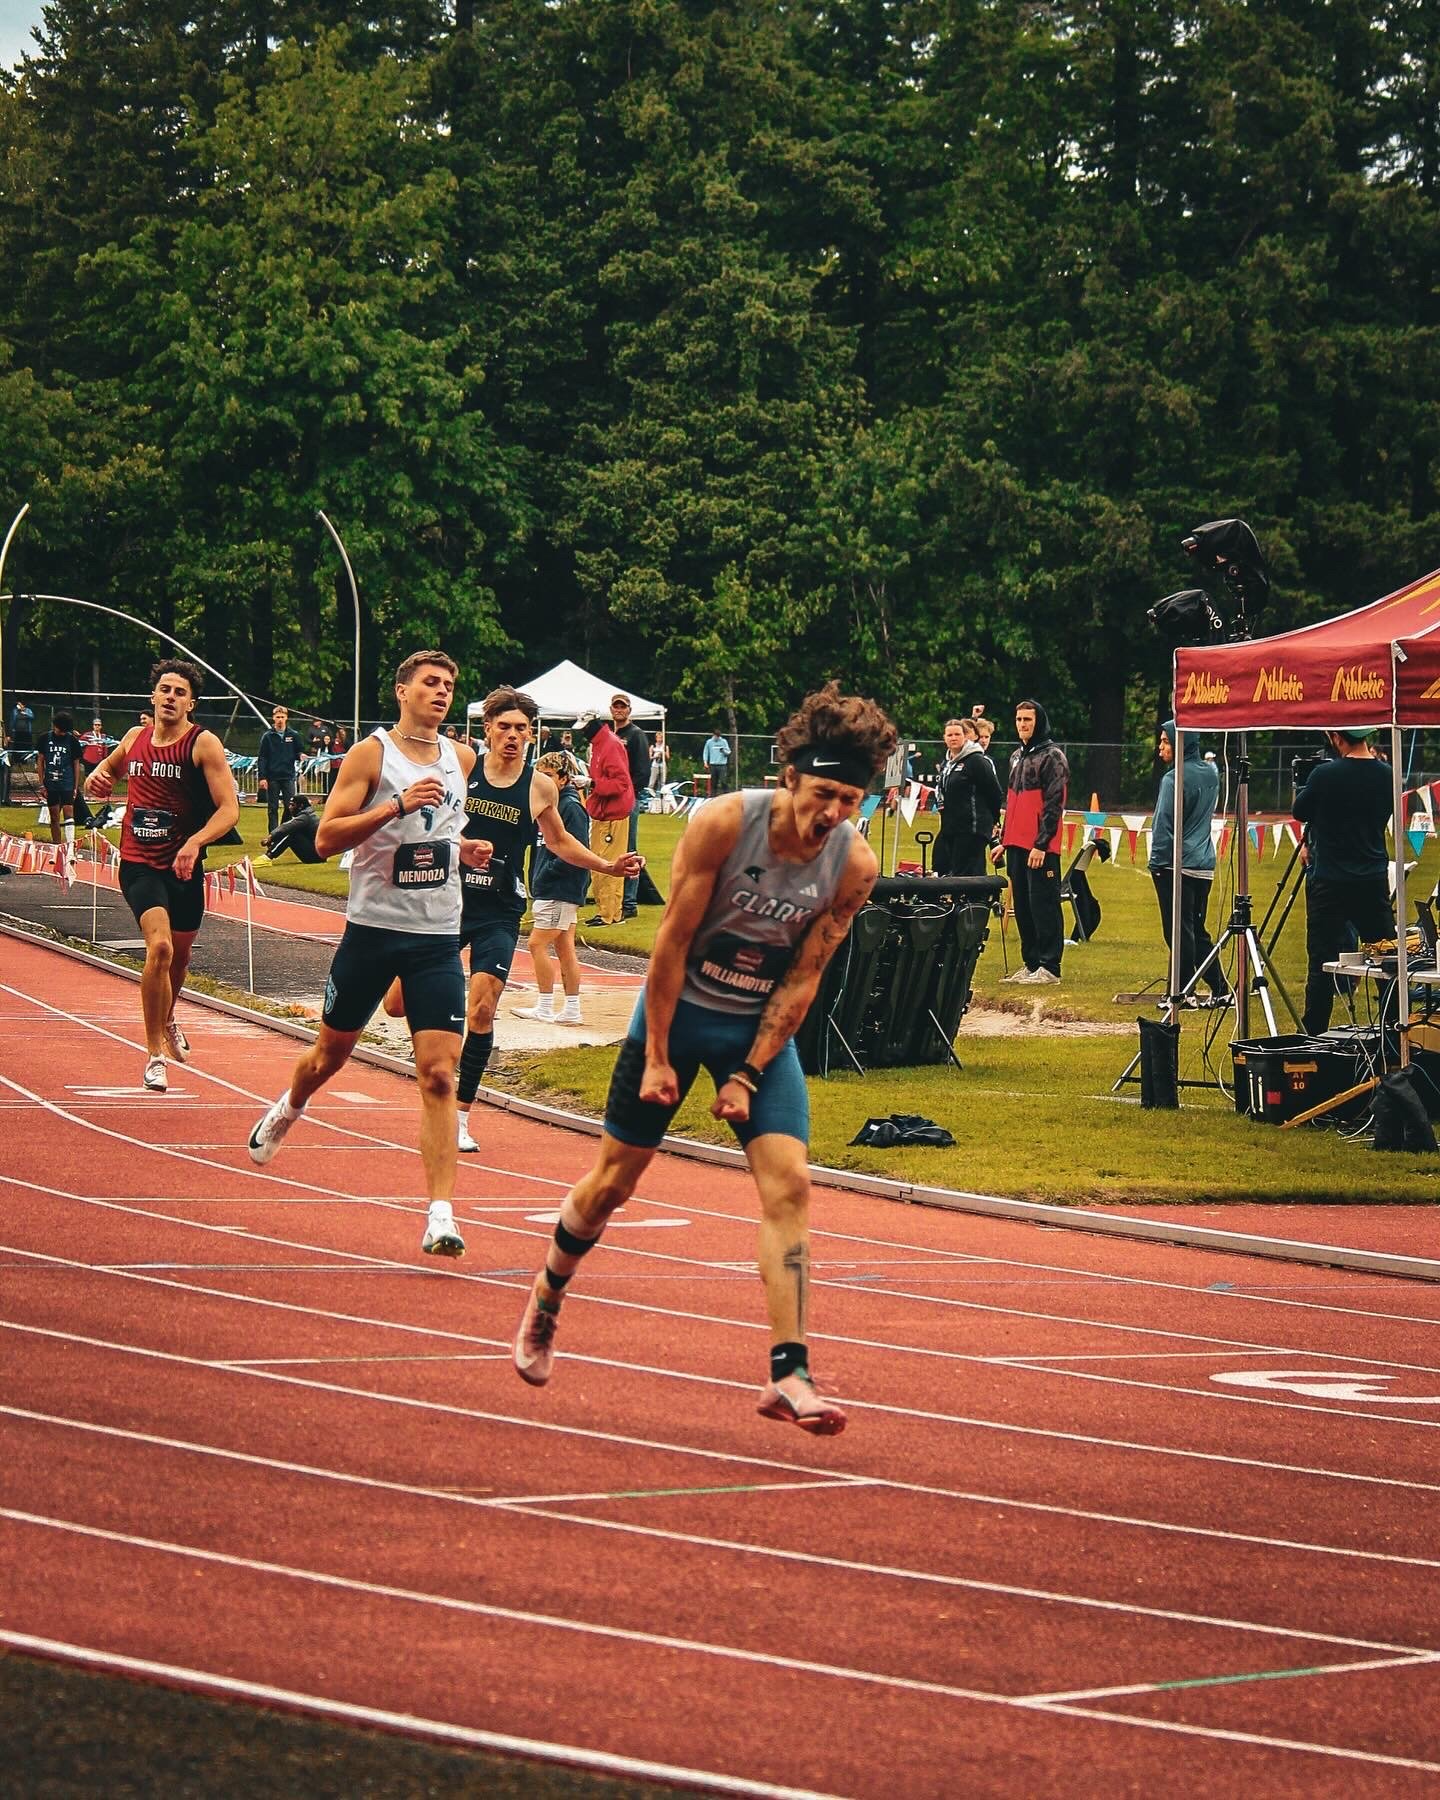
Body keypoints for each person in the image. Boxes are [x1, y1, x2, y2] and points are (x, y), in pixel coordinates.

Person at [511, 682, 896, 1436]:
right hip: (678, 1014)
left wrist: (749, 1072)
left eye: (850, 801)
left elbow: (805, 976)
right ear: (790, 777)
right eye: (823, 794)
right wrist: (658, 1056)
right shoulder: (725, 823)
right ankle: (548, 1295)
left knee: (790, 1185)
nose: (833, 813)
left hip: (754, 1031)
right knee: (614, 1184)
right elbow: (671, 945)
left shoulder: (853, 865)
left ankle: (789, 1371)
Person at [246, 651, 493, 1259]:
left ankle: (441, 1215)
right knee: (329, 1056)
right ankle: (290, 1105)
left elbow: (442, 830)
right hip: (373, 932)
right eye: (431, 682)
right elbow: (326, 837)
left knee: (439, 1074)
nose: (442, 692)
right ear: (402, 691)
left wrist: (463, 849)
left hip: (437, 937)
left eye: (449, 684)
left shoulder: (461, 758)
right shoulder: (370, 755)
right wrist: (395, 806)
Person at [442, 686, 643, 1159]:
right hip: (447, 902)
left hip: (499, 909)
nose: (512, 736)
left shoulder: (540, 786)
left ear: (532, 734)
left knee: (482, 1009)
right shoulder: (464, 768)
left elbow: (559, 841)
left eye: (521, 729)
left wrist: (607, 866)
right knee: (397, 1004)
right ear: (488, 729)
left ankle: (460, 1117)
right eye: (504, 727)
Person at [83, 660, 240, 1091]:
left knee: (180, 958)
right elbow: (106, 773)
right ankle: (154, 1054)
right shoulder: (134, 738)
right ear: (153, 696)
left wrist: (195, 842)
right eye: (165, 690)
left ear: (191, 703)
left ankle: (167, 1015)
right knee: (161, 948)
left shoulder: (202, 744)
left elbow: (229, 809)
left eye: (180, 692)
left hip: (183, 866)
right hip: (139, 864)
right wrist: (97, 780)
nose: (171, 697)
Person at [1293, 727, 1395, 1034]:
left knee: (1321, 963)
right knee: (1386, 957)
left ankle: (1314, 1035)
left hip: (1331, 880)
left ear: (1337, 737)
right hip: (1372, 878)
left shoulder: (1324, 775)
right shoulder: (1387, 774)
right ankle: (1393, 1030)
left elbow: (1300, 810)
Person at [1148, 721, 1228, 1002]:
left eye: (1165, 741)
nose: (1160, 747)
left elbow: (1164, 823)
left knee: (1177, 932)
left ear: (1180, 743)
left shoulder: (1173, 779)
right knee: (1196, 931)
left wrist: (1157, 862)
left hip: (1175, 864)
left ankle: (1182, 992)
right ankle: (1220, 988)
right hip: (1203, 862)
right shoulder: (1211, 773)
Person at [512, 750, 590, 1026]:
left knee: (536, 944)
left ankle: (545, 1005)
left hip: (559, 887)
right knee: (564, 946)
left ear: (563, 778)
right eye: (539, 776)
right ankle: (571, 1008)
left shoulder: (570, 807)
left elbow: (577, 849)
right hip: (554, 885)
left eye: (548, 776)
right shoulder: (549, 804)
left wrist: (546, 875)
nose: (542, 781)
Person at [1000, 698, 1069, 985]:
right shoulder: (1017, 756)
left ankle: (1050, 966)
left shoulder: (1053, 756)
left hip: (1040, 847)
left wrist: (1041, 844)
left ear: (1038, 721)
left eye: (1027, 719)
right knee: (1024, 907)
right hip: (1015, 844)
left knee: (1044, 904)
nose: (1022, 724)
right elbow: (1012, 801)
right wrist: (1003, 840)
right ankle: (1031, 964)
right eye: (1019, 720)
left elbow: (1054, 804)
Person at [577, 709, 636, 927]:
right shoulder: (599, 744)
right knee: (599, 863)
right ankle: (606, 911)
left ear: (592, 725)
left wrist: (592, 784)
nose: (582, 733)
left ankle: (610, 914)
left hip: (614, 813)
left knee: (610, 864)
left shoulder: (611, 744)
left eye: (584, 728)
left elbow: (621, 783)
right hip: (602, 811)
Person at [933, 718, 1003, 877]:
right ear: (944, 738)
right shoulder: (948, 764)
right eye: (950, 735)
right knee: (944, 869)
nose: (953, 738)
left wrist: (994, 820)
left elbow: (994, 792)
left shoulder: (976, 760)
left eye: (957, 734)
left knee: (967, 875)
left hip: (972, 829)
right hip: (951, 828)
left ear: (965, 737)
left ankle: (980, 895)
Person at [609, 692, 650, 920]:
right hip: (611, 798)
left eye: (622, 706)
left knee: (628, 847)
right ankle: (612, 897)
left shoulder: (636, 735)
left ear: (629, 710)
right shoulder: (611, 734)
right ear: (611, 709)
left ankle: (630, 902)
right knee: (611, 847)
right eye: (616, 706)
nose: (619, 710)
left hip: (627, 798)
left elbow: (643, 772)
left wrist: (626, 792)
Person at [36, 710, 85, 859]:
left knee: (69, 813)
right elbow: (40, 761)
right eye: (59, 729)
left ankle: (70, 849)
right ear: (55, 726)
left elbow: (76, 764)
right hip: (51, 782)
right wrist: (41, 783)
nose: (61, 733)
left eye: (64, 731)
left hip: (67, 782)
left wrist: (75, 786)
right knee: (54, 816)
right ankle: (56, 849)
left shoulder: (72, 741)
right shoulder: (45, 738)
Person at [255, 704, 304, 834]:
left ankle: (283, 830)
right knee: (273, 807)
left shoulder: (293, 735)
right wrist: (262, 777)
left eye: (282, 717)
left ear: (286, 718)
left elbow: (299, 750)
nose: (280, 720)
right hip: (272, 777)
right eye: (278, 717)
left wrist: (301, 755)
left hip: (288, 775)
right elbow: (262, 757)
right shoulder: (267, 736)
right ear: (273, 718)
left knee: (290, 806)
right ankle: (273, 834)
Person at [260, 793, 323, 864]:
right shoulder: (308, 814)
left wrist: (271, 837)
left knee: (291, 834)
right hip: (319, 854)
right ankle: (269, 854)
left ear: (301, 806)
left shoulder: (305, 816)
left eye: (293, 805)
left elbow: (287, 827)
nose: (290, 807)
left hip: (315, 856)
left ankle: (268, 857)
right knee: (292, 831)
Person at [702, 727, 732, 793]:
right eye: (716, 736)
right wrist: (705, 762)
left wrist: (723, 751)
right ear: (713, 735)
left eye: (718, 737)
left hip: (722, 765)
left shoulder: (724, 741)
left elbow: (728, 752)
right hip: (713, 765)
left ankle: (726, 794)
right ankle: (713, 795)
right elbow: (705, 752)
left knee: (723, 781)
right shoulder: (709, 742)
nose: (717, 738)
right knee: (713, 782)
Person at [648, 731, 670, 796]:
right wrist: (655, 756)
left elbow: (668, 757)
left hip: (663, 764)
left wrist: (663, 753)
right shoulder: (653, 746)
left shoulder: (665, 746)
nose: (660, 739)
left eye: (661, 737)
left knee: (663, 782)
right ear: (656, 738)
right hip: (655, 765)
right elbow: (649, 757)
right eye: (658, 737)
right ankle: (652, 795)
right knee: (652, 782)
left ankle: (662, 796)